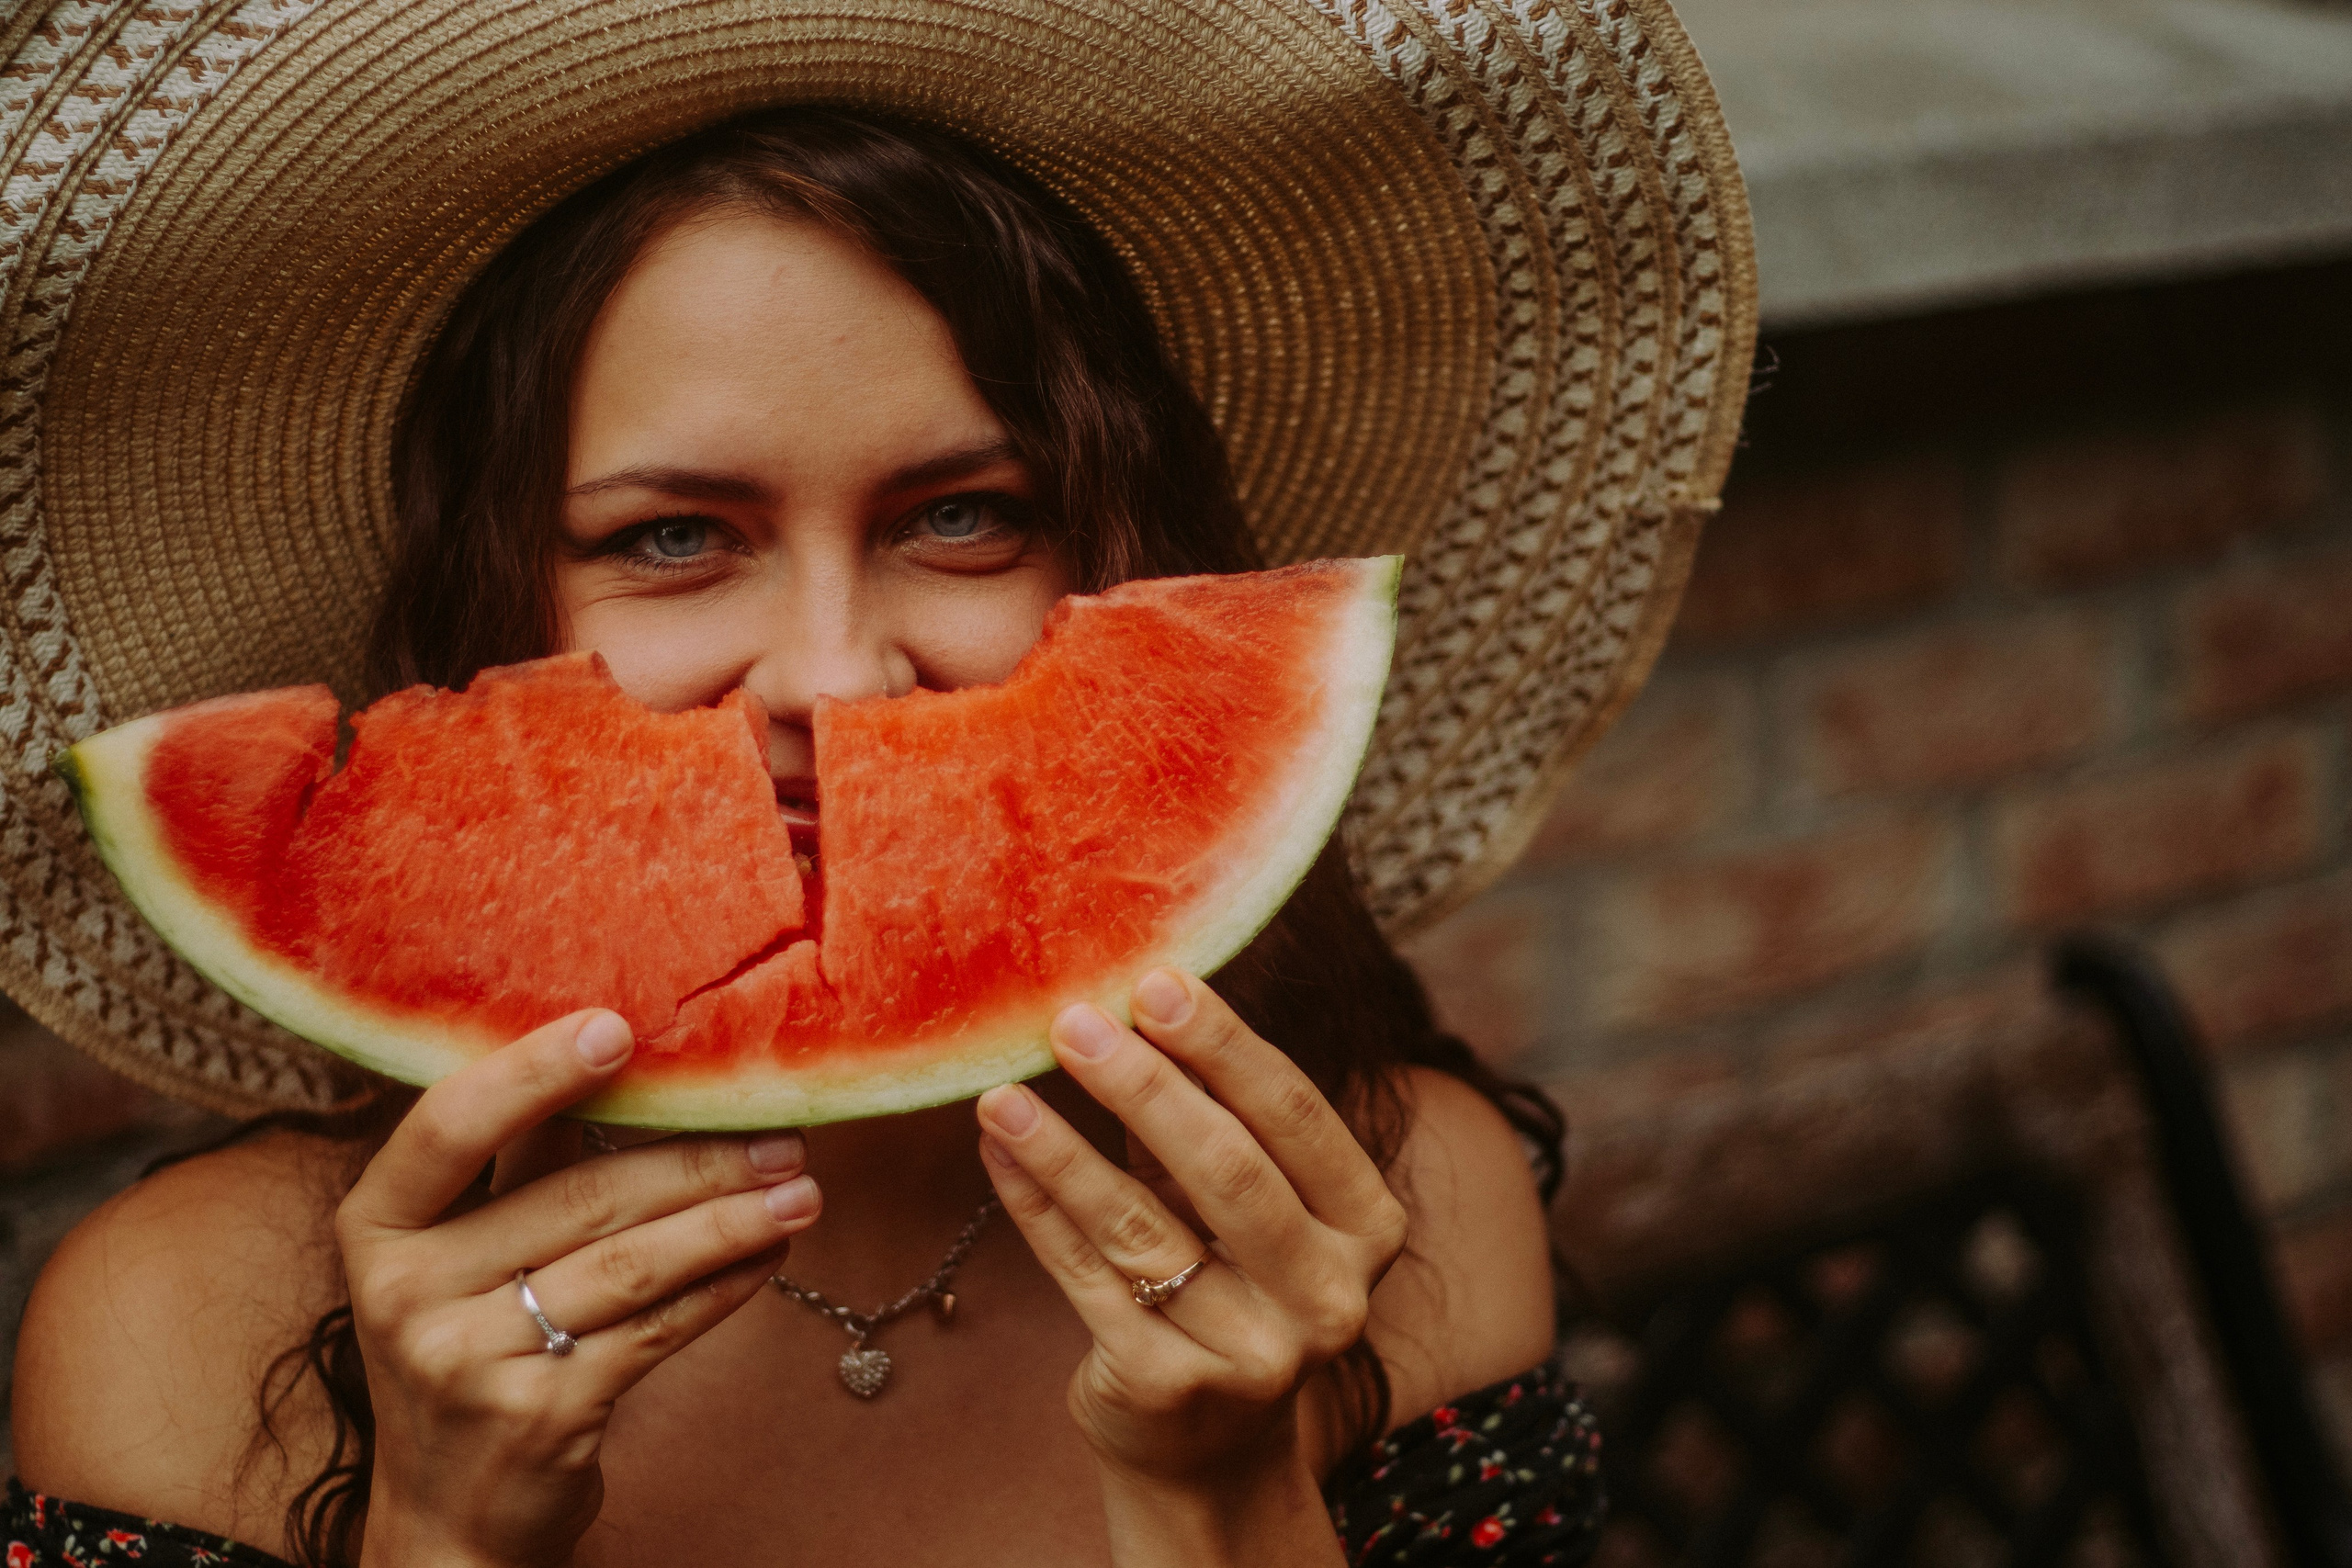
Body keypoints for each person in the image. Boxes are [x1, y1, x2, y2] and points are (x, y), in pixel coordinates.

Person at [0, 5, 1755, 1566]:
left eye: (963, 516)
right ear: (492, 611)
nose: (835, 674)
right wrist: (445, 1536)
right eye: (673, 538)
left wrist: (1230, 1510)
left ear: (1113, 568)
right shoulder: (179, 1340)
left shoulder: (1402, 1222)